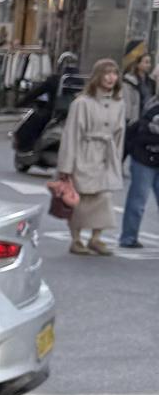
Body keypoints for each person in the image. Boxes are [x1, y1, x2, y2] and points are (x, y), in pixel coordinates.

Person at [57, 56, 127, 255]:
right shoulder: (82, 103)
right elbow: (71, 135)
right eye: (106, 73)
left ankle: (96, 238)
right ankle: (76, 239)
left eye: (114, 73)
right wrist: (66, 166)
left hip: (106, 155)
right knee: (79, 199)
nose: (111, 78)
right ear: (97, 76)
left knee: (104, 198)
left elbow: (120, 133)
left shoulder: (119, 103)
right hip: (84, 154)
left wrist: (117, 159)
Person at [118, 46, 159, 248]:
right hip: (143, 154)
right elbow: (139, 124)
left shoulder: (148, 88)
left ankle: (128, 236)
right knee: (138, 199)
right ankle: (128, 237)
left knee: (138, 198)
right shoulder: (150, 100)